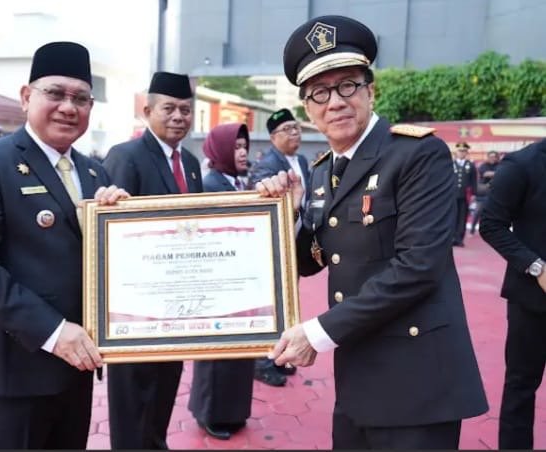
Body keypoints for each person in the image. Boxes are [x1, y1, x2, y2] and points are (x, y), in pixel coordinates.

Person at [255, 15, 488, 449]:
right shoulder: (322, 172)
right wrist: (288, 213)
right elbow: (311, 261)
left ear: (370, 90)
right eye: (320, 92)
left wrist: (316, 334)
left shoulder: (417, 154)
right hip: (358, 372)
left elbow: (418, 266)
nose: (335, 102)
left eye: (347, 85)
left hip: (417, 383)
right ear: (308, 107)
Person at [0, 41, 129, 449]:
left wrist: (121, 225)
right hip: (15, 371)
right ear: (26, 97)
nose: (68, 107)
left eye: (81, 98)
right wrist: (54, 332)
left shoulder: (95, 174)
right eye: (56, 93)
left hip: (76, 367)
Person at [102, 71, 203, 450]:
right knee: (132, 399)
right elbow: (110, 233)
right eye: (169, 108)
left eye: (186, 110)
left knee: (164, 388)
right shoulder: (125, 157)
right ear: (147, 111)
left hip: (176, 305)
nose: (178, 117)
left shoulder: (190, 162)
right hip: (136, 306)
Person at [188, 122, 254, 440]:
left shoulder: (238, 181)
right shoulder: (210, 184)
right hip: (216, 279)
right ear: (221, 149)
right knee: (216, 354)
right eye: (236, 147)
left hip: (238, 277)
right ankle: (210, 414)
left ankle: (234, 411)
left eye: (244, 147)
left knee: (240, 349)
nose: (242, 153)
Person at [479, 138, 546, 449]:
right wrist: (537, 267)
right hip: (533, 300)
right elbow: (491, 225)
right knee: (521, 386)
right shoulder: (522, 165)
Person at [249, 108, 310, 386]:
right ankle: (262, 364)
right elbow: (260, 203)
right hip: (273, 246)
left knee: (288, 304)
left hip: (295, 243)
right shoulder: (266, 165)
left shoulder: (303, 161)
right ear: (273, 137)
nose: (295, 133)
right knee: (271, 306)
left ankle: (279, 357)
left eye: (297, 127)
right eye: (287, 129)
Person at [452, 141, 477, 246]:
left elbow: (474, 181)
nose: (462, 153)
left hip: (464, 196)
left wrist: (474, 194)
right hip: (452, 196)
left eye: (464, 151)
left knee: (462, 218)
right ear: (456, 152)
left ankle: (459, 239)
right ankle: (452, 238)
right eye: (460, 151)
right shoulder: (450, 164)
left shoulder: (470, 165)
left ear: (466, 152)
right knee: (452, 217)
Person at [470, 150, 499, 234]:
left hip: (496, 192)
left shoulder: (500, 165)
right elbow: (485, 174)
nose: (492, 158)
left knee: (495, 213)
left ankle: (493, 230)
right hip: (484, 192)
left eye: (494, 157)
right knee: (478, 211)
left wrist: (495, 174)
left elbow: (503, 173)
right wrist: (497, 173)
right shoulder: (484, 165)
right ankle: (472, 228)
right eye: (491, 156)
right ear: (488, 157)